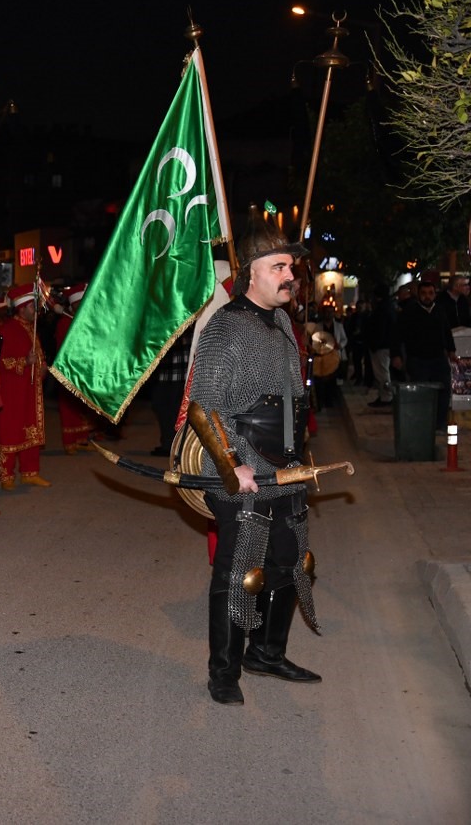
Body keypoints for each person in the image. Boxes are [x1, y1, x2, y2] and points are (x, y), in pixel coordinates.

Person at [189, 215, 321, 707]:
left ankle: (266, 652)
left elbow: (286, 400)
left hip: (286, 467)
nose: (290, 275)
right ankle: (223, 672)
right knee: (239, 572)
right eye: (279, 266)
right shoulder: (226, 326)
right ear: (250, 272)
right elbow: (206, 405)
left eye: (292, 266)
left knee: (291, 564)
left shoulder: (283, 322)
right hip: (241, 467)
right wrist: (234, 464)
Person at [0, 283, 50, 487]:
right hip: (13, 391)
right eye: (32, 307)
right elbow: (0, 361)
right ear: (22, 307)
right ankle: (6, 476)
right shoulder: (7, 330)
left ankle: (30, 472)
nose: (35, 311)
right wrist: (24, 362)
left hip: (31, 389)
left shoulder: (31, 328)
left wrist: (43, 366)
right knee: (11, 430)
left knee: (32, 429)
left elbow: (38, 355)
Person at [392, 279, 457, 427]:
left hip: (438, 359)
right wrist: (396, 355)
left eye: (430, 293)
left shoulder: (439, 310)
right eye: (424, 293)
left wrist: (451, 350)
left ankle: (439, 423)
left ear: (435, 294)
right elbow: (397, 335)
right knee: (421, 393)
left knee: (444, 390)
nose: (427, 297)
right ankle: (422, 424)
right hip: (418, 359)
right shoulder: (410, 312)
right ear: (418, 295)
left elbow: (446, 332)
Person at [54, 283, 100, 454]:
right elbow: (64, 347)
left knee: (83, 406)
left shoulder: (84, 321)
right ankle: (69, 442)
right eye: (79, 303)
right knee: (69, 408)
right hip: (69, 370)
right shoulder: (65, 322)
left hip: (84, 370)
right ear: (72, 305)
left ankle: (82, 439)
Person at [150, 326, 192, 457]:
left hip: (181, 372)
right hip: (165, 371)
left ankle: (175, 445)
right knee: (160, 406)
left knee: (175, 409)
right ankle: (168, 444)